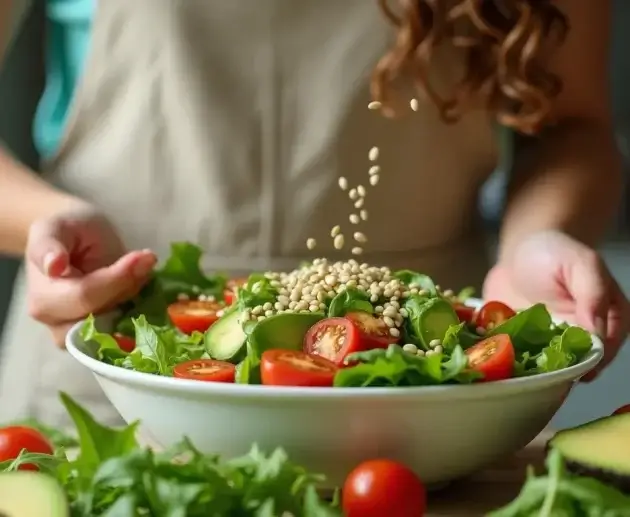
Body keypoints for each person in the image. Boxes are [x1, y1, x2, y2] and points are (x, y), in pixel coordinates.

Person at [0, 0, 627, 427]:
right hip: (115, 354)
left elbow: (571, 126)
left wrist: (536, 240)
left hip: (422, 371)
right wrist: (45, 223)